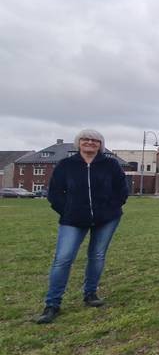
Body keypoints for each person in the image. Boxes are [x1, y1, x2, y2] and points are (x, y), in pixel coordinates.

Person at [36, 129, 129, 324]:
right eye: (86, 139)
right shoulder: (66, 165)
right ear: (78, 143)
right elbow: (54, 192)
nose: (90, 143)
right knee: (63, 258)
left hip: (106, 218)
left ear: (100, 145)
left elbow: (122, 189)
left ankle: (90, 294)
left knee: (96, 256)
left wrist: (110, 208)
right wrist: (68, 210)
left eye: (95, 140)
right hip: (73, 219)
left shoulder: (110, 164)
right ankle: (52, 303)